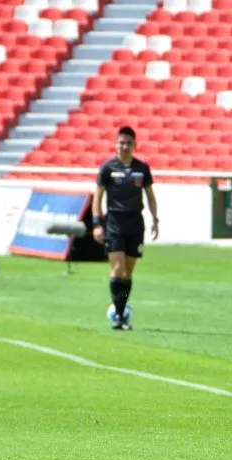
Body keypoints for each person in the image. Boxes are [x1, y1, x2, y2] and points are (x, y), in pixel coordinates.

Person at [92, 125, 159, 331]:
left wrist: (155, 219)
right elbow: (98, 196)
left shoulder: (142, 168)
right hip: (114, 222)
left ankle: (120, 311)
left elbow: (149, 195)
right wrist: (96, 223)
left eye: (129, 143)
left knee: (128, 272)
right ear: (115, 144)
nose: (125, 146)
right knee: (118, 268)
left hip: (135, 223)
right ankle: (119, 317)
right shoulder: (107, 168)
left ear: (135, 145)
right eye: (121, 142)